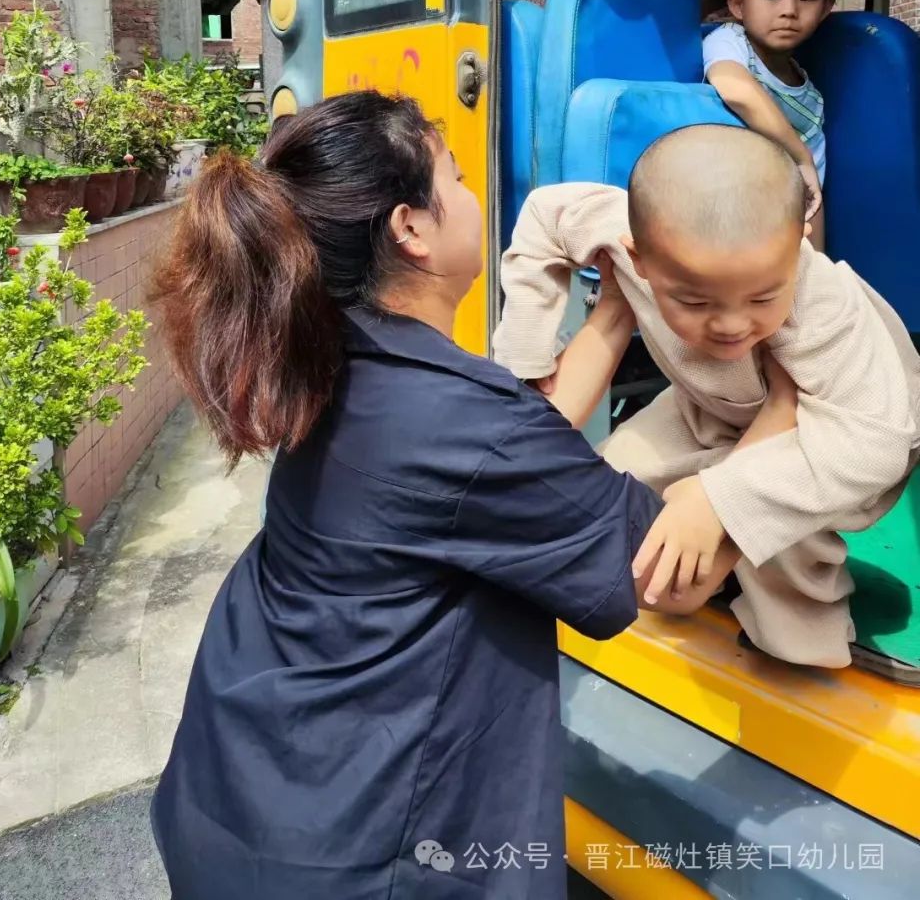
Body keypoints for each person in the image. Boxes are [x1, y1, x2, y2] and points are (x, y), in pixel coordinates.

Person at [149, 91, 671, 900]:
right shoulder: (459, 420)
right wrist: (785, 418)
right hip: (360, 858)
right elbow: (652, 558)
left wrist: (612, 311)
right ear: (411, 228)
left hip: (241, 801)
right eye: (456, 179)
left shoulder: (337, 359)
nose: (471, 196)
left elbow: (503, 459)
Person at [493, 126, 920, 674]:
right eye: (694, 299)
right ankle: (708, 554)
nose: (731, 324)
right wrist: (525, 358)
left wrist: (723, 498)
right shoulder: (623, 231)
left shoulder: (824, 308)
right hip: (707, 404)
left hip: (828, 430)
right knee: (611, 500)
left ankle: (799, 649)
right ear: (638, 259)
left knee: (778, 550)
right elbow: (545, 215)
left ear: (798, 248)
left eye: (765, 296)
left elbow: (873, 446)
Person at [703, 0, 834, 247]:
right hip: (722, 211)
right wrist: (799, 156)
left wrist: (814, 264)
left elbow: (811, 190)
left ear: (826, 9)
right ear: (737, 4)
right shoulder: (731, 42)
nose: (789, 10)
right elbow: (733, 88)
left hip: (779, 225)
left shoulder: (811, 100)